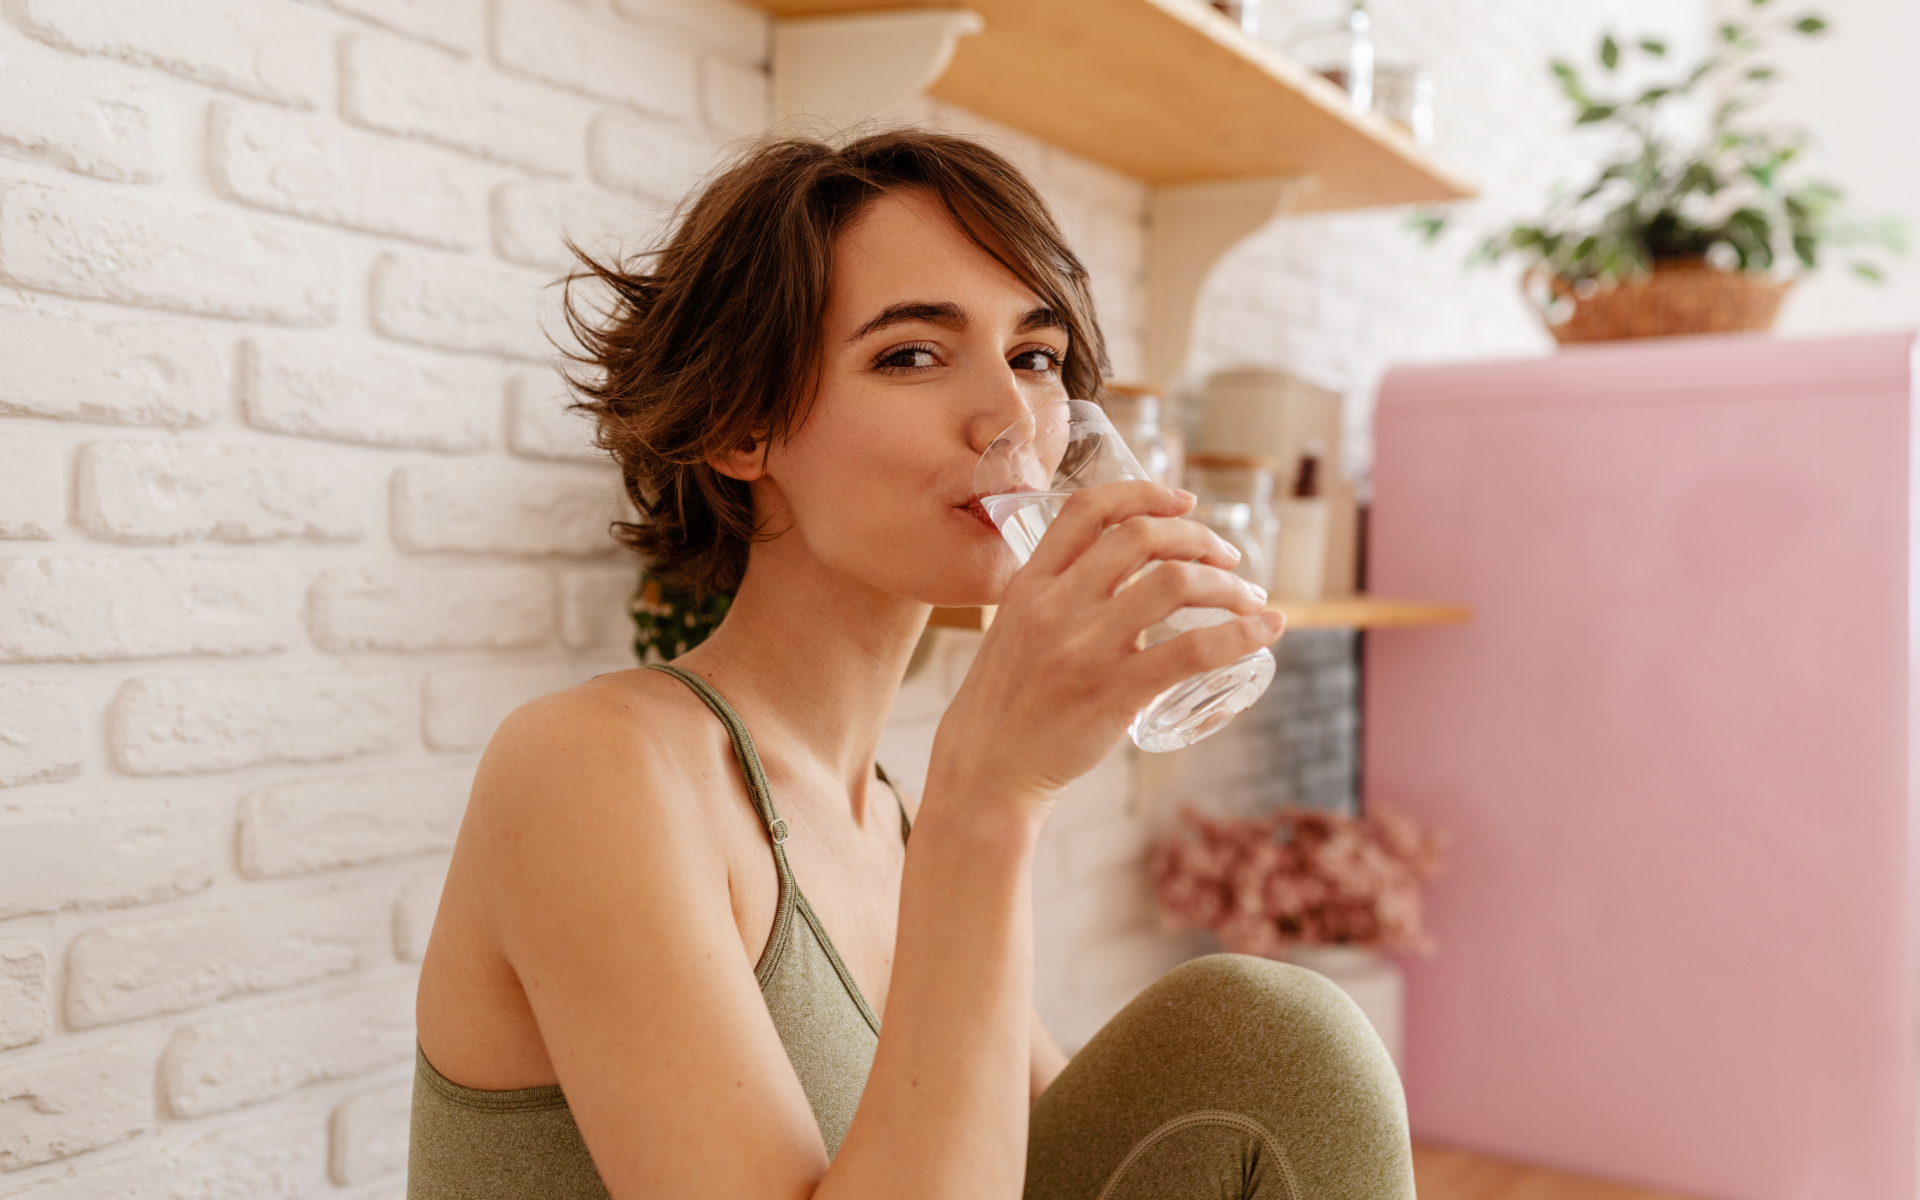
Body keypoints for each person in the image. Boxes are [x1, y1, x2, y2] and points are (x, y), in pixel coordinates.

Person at [409, 128, 1413, 1200]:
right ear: (745, 427)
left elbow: (1065, 1167)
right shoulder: (591, 769)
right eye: (911, 355)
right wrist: (988, 797)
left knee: (1264, 1054)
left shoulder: (886, 822)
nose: (1011, 417)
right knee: (1270, 1034)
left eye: (1033, 356)